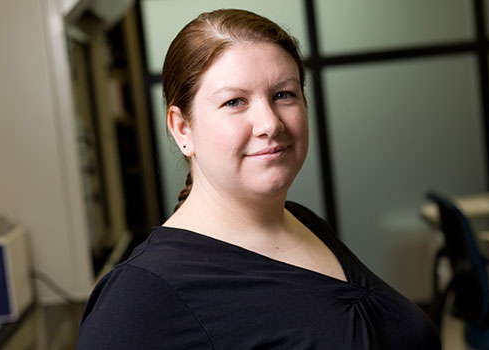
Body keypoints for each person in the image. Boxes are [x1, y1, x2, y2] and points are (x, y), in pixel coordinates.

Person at [77, 9, 441, 350]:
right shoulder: (139, 297)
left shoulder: (302, 222)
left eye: (283, 94)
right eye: (235, 102)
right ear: (182, 127)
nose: (270, 124)